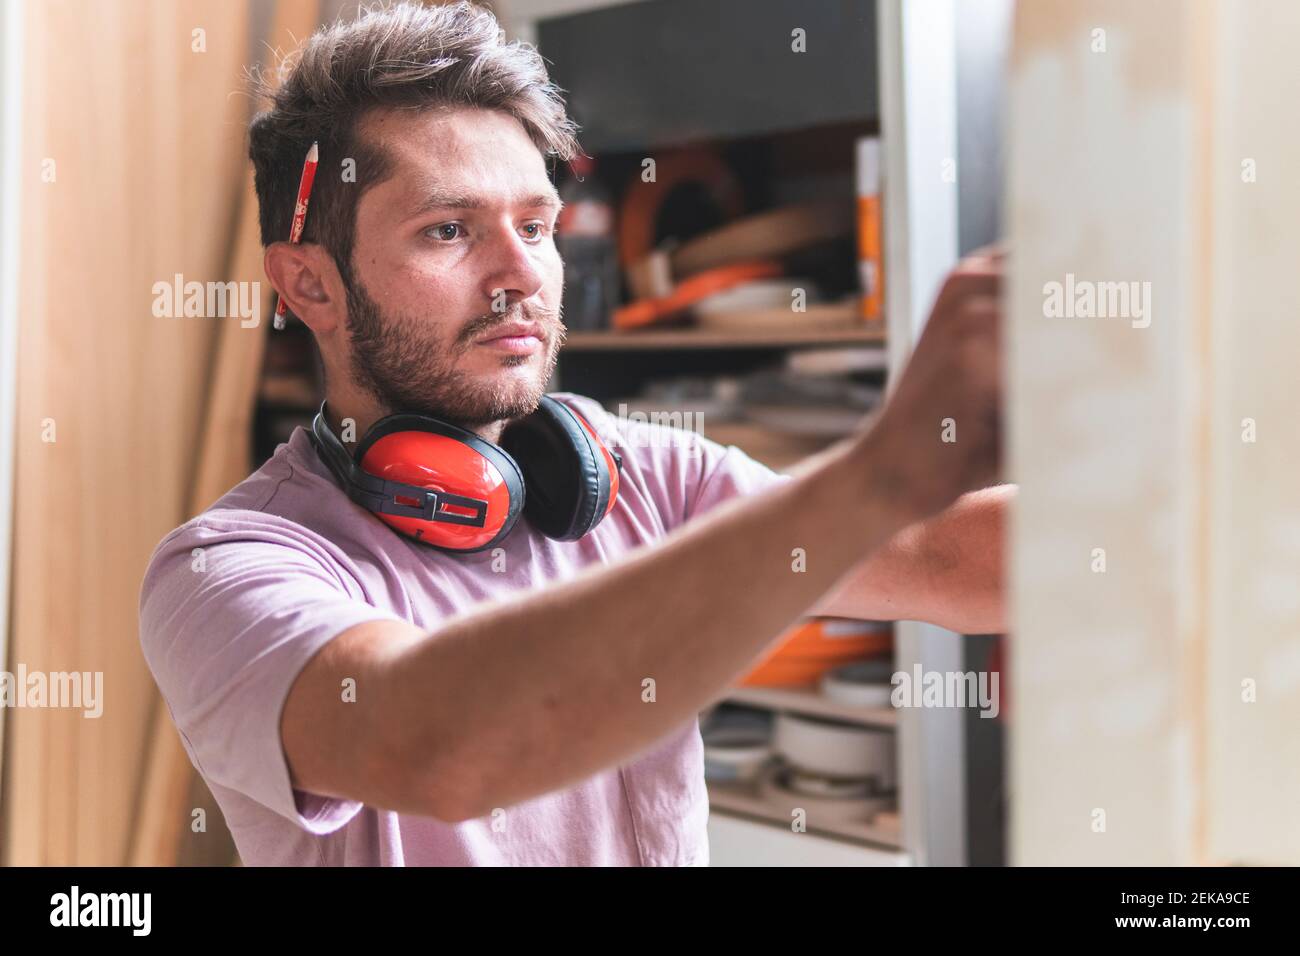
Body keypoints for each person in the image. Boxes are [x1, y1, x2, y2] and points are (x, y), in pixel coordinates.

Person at [139, 0, 1007, 866]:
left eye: (535, 226)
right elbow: (437, 745)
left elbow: (946, 561)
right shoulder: (226, 569)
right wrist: (879, 473)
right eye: (448, 230)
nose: (521, 273)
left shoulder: (639, 471)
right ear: (309, 286)